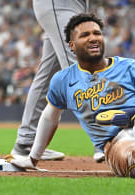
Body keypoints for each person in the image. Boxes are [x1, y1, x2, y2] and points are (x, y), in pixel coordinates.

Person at [10, 13, 135, 179]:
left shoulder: (131, 66)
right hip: (113, 145)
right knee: (130, 152)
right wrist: (33, 158)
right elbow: (49, 116)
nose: (93, 38)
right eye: (85, 35)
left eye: (97, 33)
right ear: (72, 45)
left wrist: (130, 114)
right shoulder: (63, 79)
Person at [10, 0, 105, 162]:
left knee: (46, 76)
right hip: (59, 5)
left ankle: (26, 142)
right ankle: (103, 138)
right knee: (82, 66)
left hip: (73, 8)